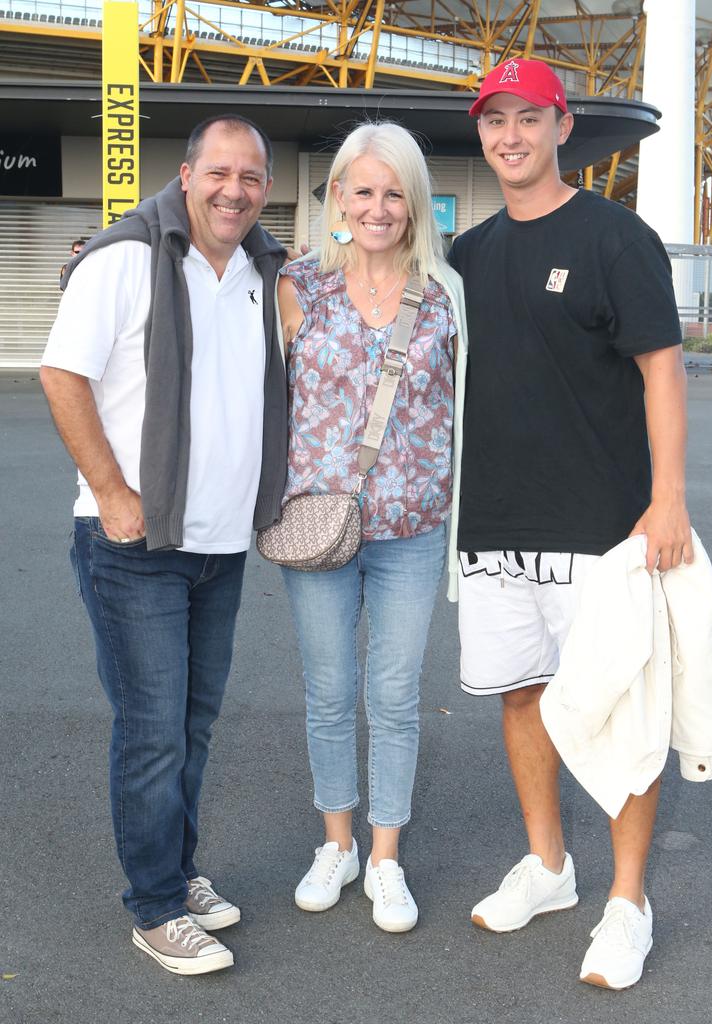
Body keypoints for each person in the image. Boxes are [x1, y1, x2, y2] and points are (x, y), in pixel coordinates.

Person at [446, 59, 692, 989]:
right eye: (495, 120)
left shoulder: (617, 239)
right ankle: (550, 868)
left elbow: (662, 371)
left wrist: (667, 500)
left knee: (628, 715)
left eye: (529, 118)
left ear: (563, 126)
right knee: (524, 697)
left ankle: (628, 902)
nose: (511, 135)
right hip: (497, 529)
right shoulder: (468, 253)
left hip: (606, 531)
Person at [39, 114, 287, 975]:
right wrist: (111, 493)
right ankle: (152, 907)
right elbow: (61, 375)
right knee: (153, 732)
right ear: (186, 177)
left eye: (251, 177)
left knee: (192, 723)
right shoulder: (126, 258)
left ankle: (177, 876)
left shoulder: (260, 269)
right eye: (219, 173)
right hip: (135, 542)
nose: (235, 190)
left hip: (219, 545)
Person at [276, 122, 466, 933]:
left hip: (414, 528)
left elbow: (477, 404)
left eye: (395, 192)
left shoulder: (448, 294)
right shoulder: (297, 286)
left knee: (392, 696)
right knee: (328, 692)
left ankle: (386, 857)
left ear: (416, 202)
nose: (380, 207)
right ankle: (338, 843)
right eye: (364, 191)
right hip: (317, 524)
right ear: (338, 201)